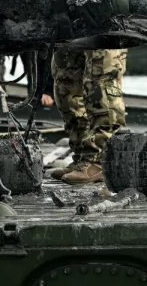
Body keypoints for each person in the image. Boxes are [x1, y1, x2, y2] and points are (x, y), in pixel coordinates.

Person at [49, 48, 128, 184]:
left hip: (104, 36)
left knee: (101, 81)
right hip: (71, 36)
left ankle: (100, 160)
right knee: (66, 84)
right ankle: (81, 157)